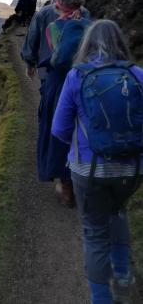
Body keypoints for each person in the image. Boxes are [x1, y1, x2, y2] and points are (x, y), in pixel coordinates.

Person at [52, 20, 143, 304]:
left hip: (88, 169)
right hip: (132, 168)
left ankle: (101, 298)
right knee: (118, 211)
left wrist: (80, 144)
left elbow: (59, 128)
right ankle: (124, 275)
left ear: (87, 43)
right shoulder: (137, 74)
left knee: (94, 234)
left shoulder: (77, 76)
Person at [34, 0, 89, 206]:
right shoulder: (90, 24)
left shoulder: (53, 27)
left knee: (57, 128)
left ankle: (66, 186)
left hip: (60, 83)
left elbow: (57, 56)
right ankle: (86, 176)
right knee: (82, 127)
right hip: (86, 80)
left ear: (60, 4)